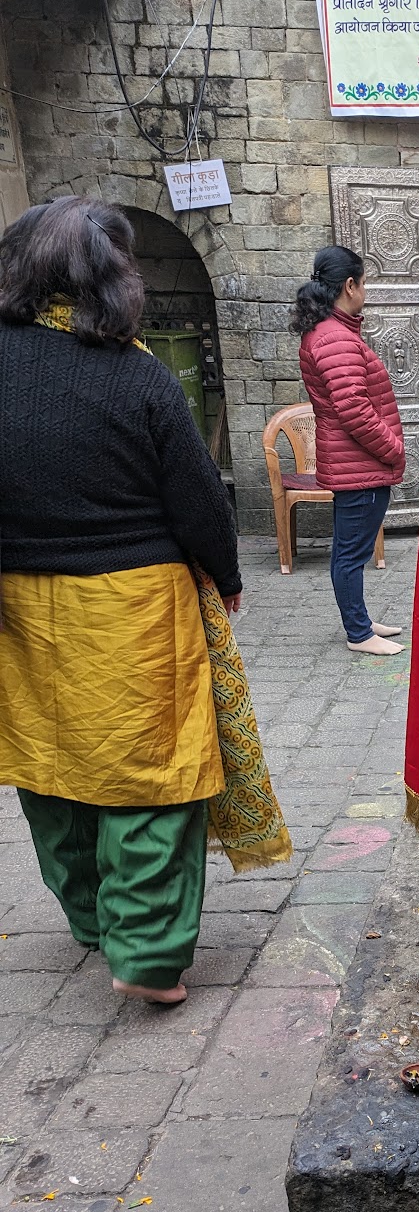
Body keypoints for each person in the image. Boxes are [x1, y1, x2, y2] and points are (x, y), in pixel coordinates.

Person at [0, 196, 243, 1005]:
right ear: (110, 276)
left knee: (53, 766)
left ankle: (94, 920)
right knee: (150, 775)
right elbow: (199, 499)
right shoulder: (134, 372)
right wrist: (228, 575)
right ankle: (144, 954)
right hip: (132, 606)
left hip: (20, 606)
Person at [292, 246, 406, 657]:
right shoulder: (334, 338)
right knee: (350, 553)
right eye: (365, 282)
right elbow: (355, 409)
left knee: (350, 550)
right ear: (349, 285)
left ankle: (360, 620)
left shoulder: (331, 331)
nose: (366, 290)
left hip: (355, 463)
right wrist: (393, 449)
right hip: (359, 464)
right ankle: (358, 633)